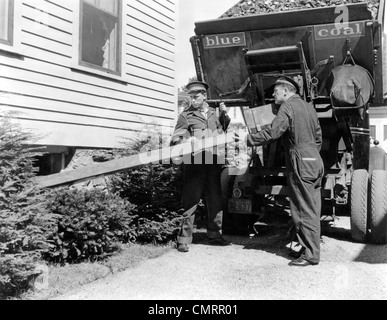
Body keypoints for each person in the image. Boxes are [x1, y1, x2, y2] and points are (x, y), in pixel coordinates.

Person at [235, 76, 324, 266]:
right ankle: (308, 247)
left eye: (275, 91)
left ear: (286, 91)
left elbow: (273, 133)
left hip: (300, 160)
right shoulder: (309, 107)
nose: (273, 94)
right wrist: (310, 153)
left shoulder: (288, 107)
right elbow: (318, 138)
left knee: (302, 208)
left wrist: (248, 139)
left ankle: (310, 255)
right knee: (312, 207)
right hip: (315, 159)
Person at [170, 81, 231, 253]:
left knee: (215, 200)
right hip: (194, 164)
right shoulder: (185, 115)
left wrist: (225, 117)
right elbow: (175, 137)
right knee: (190, 201)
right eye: (190, 96)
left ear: (204, 96)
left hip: (212, 163)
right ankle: (183, 239)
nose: (193, 100)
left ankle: (215, 235)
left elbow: (221, 132)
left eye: (196, 96)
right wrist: (185, 140)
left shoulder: (214, 113)